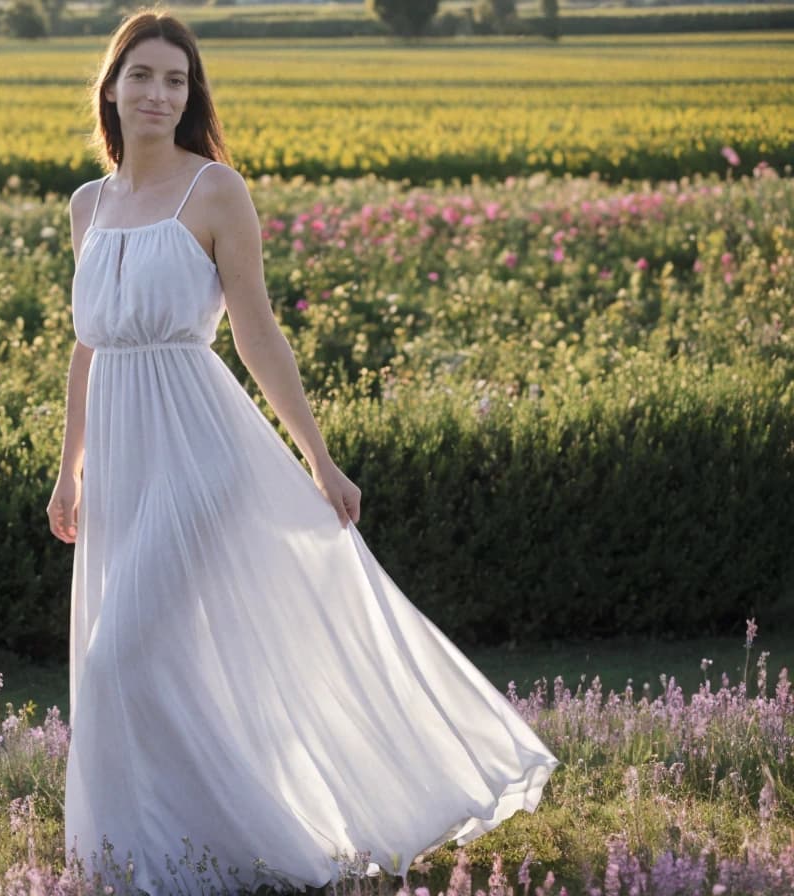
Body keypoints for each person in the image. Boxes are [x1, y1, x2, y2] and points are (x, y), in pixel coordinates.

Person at [48, 10, 559, 895]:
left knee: (116, 658)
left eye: (176, 80)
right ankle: (152, 855)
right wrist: (70, 468)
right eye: (142, 76)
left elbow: (256, 335)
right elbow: (87, 346)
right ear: (110, 85)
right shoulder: (86, 206)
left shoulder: (215, 191)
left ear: (191, 94)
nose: (158, 94)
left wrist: (318, 458)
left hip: (201, 452)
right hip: (121, 463)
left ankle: (230, 849)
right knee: (154, 664)